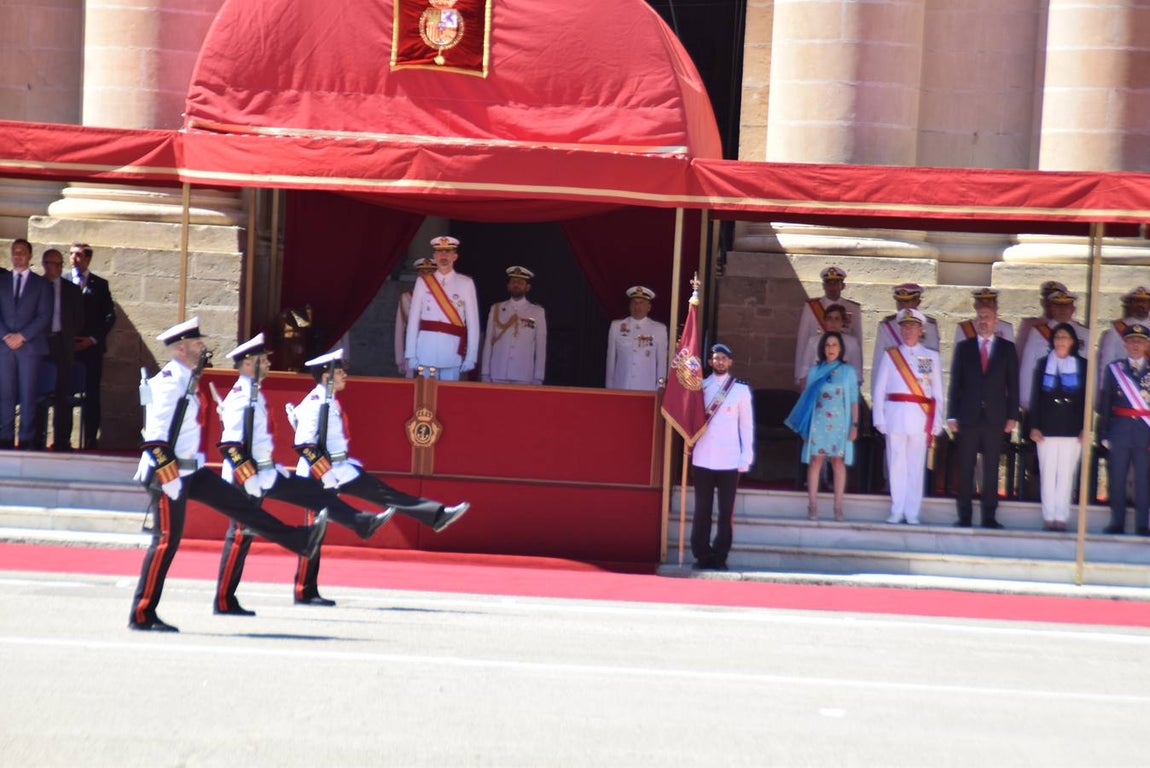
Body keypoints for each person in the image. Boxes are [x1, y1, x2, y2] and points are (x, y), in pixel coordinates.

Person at [129, 318, 328, 632]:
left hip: (190, 470)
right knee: (166, 541)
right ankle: (142, 613)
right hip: (168, 474)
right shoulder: (169, 382)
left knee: (242, 505)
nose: (203, 348)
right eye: (196, 344)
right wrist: (169, 481)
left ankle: (299, 540)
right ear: (180, 349)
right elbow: (155, 438)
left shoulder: (187, 379)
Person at [213, 334, 395, 616]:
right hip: (245, 479)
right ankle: (225, 599)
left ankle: (359, 521)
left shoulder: (253, 393)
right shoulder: (241, 398)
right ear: (248, 363)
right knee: (239, 536)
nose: (269, 362)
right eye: (264, 359)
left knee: (302, 505)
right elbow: (231, 447)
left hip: (263, 474)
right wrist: (250, 481)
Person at [291, 349, 471, 604]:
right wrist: (325, 476)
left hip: (340, 470)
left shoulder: (327, 400)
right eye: (340, 372)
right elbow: (305, 446)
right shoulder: (316, 403)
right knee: (315, 532)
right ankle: (304, 591)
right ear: (326, 376)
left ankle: (437, 515)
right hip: (318, 476)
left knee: (385, 493)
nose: (345, 376)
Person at [948, 305, 1019, 529]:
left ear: (996, 321)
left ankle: (989, 516)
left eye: (987, 317)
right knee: (966, 467)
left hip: (995, 417)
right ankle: (965, 517)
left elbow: (1013, 385)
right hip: (968, 417)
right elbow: (955, 384)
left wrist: (1012, 416)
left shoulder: (1007, 349)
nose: (983, 321)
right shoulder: (964, 347)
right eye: (980, 317)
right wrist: (951, 415)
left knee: (991, 469)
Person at [871, 309, 945, 525]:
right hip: (895, 415)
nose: (908, 330)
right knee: (896, 465)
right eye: (904, 326)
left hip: (920, 418)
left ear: (921, 330)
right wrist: (879, 418)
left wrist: (937, 421)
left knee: (915, 466)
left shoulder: (931, 357)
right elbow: (879, 389)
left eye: (912, 326)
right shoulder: (891, 354)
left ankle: (912, 511)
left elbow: (937, 393)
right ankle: (897, 508)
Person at [689, 343, 754, 570]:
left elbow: (746, 425)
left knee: (726, 511)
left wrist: (746, 455)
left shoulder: (740, 390)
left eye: (724, 359)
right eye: (716, 358)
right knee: (702, 509)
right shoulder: (700, 387)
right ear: (710, 362)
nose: (719, 362)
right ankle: (701, 554)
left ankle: (720, 555)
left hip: (729, 459)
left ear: (730, 362)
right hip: (704, 457)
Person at [786, 331, 859, 521]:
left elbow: (853, 400)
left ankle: (838, 507)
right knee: (816, 461)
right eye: (827, 345)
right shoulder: (814, 371)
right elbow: (808, 399)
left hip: (840, 422)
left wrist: (855, 425)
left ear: (841, 348)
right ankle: (812, 506)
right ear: (822, 349)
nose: (831, 349)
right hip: (818, 421)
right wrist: (805, 426)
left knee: (837, 462)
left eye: (834, 345)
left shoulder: (848, 371)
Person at [1027, 323, 1087, 532]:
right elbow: (1036, 397)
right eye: (1057, 337)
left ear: (1072, 342)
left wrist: (1085, 427)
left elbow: (1087, 400)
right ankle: (1049, 516)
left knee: (1066, 474)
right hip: (1046, 427)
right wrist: (1034, 426)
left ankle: (1061, 517)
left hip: (1072, 428)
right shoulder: (1044, 363)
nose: (1061, 341)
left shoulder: (1083, 365)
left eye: (1065, 337)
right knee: (1048, 473)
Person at [1096, 323, 1150, 536]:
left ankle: (1142, 524)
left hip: (1145, 433)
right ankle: (1116, 522)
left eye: (1140, 341)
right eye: (1131, 341)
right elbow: (1105, 403)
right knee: (1116, 477)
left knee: (1143, 480)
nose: (1135, 345)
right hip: (1119, 430)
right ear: (1125, 344)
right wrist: (1102, 434)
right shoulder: (1114, 369)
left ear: (1146, 344)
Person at [404, 236, 480, 381]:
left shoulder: (466, 283)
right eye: (439, 252)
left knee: (449, 398)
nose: (443, 256)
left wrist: (471, 356)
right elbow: (413, 320)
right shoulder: (423, 282)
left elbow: (473, 323)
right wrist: (411, 354)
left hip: (451, 352)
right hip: (425, 350)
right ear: (434, 256)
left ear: (455, 256)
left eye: (448, 252)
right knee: (425, 398)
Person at [0, 239, 52, 449]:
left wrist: (21, 336)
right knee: (5, 394)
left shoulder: (41, 284)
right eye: (15, 252)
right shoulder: (2, 280)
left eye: (22, 252)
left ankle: (27, 438)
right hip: (4, 348)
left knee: (28, 393)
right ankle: (4, 437)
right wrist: (5, 336)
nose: (18, 256)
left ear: (30, 256)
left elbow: (44, 316)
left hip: (29, 348)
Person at [70, 242, 116, 449]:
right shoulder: (62, 281)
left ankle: (90, 438)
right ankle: (63, 437)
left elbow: (108, 316)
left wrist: (92, 339)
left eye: (79, 255)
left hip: (91, 348)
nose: (74, 258)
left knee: (92, 393)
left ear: (87, 258)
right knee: (64, 392)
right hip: (66, 347)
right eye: (71, 254)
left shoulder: (100, 284)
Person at [38, 248, 84, 450]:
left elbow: (78, 318)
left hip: (62, 345)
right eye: (49, 263)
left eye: (58, 264)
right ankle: (36, 438)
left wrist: (68, 334)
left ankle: (62, 440)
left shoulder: (71, 289)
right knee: (38, 393)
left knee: (62, 394)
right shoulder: (35, 285)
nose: (53, 268)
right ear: (43, 264)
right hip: (38, 345)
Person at [1019, 289, 1090, 411]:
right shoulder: (1037, 332)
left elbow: (1090, 371)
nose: (1062, 310)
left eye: (1066, 306)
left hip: (1074, 399)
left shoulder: (1084, 333)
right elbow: (1028, 366)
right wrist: (1026, 399)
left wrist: (1089, 401)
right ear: (1051, 308)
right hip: (1044, 397)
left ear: (1073, 309)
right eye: (1058, 306)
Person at [794, 266, 863, 384]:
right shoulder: (812, 307)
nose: (832, 287)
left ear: (843, 286)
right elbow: (803, 340)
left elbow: (858, 340)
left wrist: (858, 376)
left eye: (836, 283)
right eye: (828, 283)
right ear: (823, 286)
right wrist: (799, 375)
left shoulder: (853, 308)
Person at [481, 265, 547, 385]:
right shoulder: (496, 308)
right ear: (508, 286)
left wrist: (538, 376)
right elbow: (488, 343)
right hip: (497, 372)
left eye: (520, 282)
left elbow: (540, 346)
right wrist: (485, 372)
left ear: (527, 287)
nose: (516, 285)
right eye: (513, 282)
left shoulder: (537, 312)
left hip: (524, 375)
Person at [605, 286, 669, 391]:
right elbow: (611, 360)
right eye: (634, 302)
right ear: (630, 306)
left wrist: (660, 388)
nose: (637, 306)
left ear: (649, 307)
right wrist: (609, 387)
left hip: (647, 389)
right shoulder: (616, 326)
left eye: (641, 303)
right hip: (621, 386)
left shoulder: (659, 329)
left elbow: (661, 363)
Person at [871, 283, 940, 377]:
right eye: (899, 301)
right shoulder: (886, 327)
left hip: (918, 384)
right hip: (893, 383)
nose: (903, 305)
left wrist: (925, 387)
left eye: (907, 301)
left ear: (918, 302)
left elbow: (930, 361)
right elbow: (878, 362)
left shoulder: (929, 326)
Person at [795, 304, 863, 388]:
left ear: (842, 322)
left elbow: (857, 373)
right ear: (824, 321)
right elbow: (805, 370)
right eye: (829, 318)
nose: (833, 322)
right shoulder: (813, 342)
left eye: (837, 319)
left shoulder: (852, 343)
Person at [394, 257, 436, 377]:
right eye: (423, 274)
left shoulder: (443, 301)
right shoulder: (407, 298)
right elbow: (400, 330)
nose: (426, 278)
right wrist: (400, 360)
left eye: (430, 274)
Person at [1097, 286, 1150, 371]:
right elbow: (1106, 363)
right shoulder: (1116, 328)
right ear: (1130, 304)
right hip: (1124, 380)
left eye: (1144, 301)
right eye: (1136, 301)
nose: (1140, 304)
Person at [1016, 280, 1067, 364]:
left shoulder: (1072, 327)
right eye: (1046, 298)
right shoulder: (1029, 325)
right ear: (1041, 301)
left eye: (1054, 298)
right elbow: (1019, 356)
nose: (1049, 302)